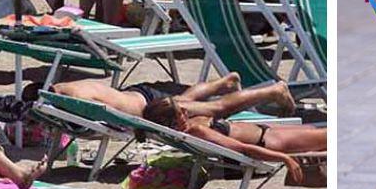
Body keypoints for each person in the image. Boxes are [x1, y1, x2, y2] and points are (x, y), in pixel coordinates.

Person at [144, 95, 326, 184]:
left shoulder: (190, 128)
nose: (185, 110)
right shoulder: (198, 131)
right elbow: (242, 148)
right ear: (172, 122)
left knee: (320, 133)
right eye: (180, 112)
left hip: (268, 132)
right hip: (271, 141)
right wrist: (285, 158)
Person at [22, 72, 295, 119]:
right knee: (192, 101)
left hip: (147, 107)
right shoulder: (68, 87)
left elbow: (103, 116)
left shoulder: (72, 101)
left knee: (217, 110)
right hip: (140, 97)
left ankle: (273, 90)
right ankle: (224, 82)